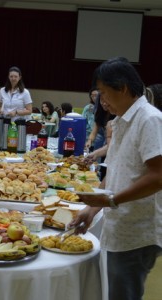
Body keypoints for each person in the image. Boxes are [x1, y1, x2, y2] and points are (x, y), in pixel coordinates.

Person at [70, 57, 162, 300]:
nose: (101, 100)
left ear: (122, 87)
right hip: (118, 224)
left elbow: (158, 176)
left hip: (136, 231)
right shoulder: (122, 121)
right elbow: (115, 171)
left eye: (103, 92)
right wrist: (91, 208)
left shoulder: (149, 119)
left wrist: (111, 201)